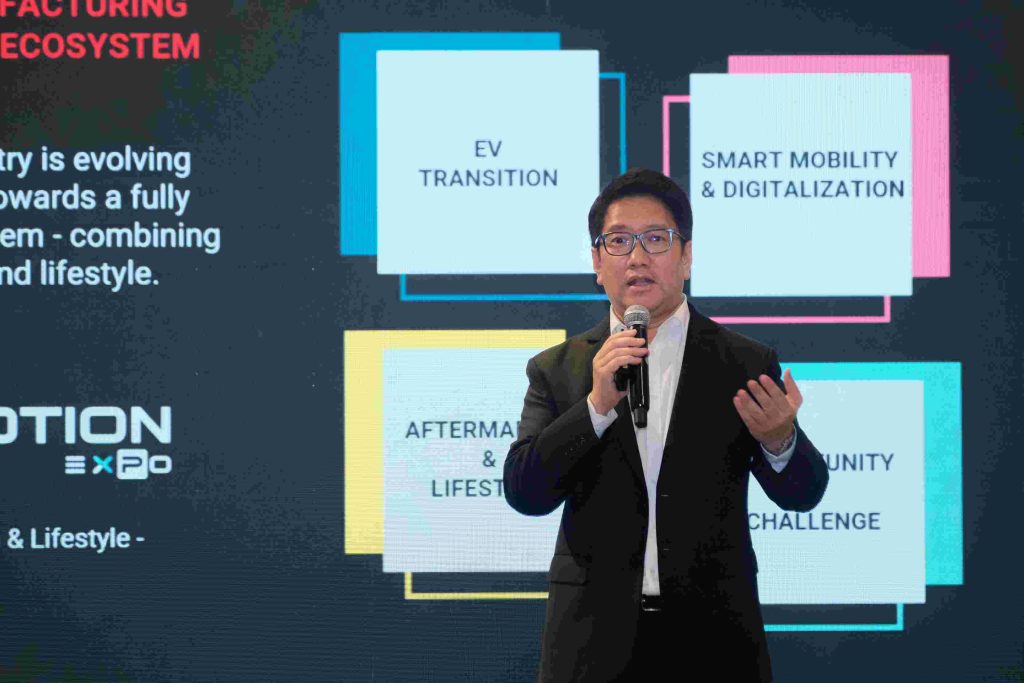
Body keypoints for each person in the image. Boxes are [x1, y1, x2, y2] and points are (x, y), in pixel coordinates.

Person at [504, 168, 829, 682]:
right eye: (619, 241)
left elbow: (804, 493)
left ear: (687, 256)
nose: (637, 257)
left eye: (656, 239)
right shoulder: (558, 369)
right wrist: (595, 406)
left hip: (714, 642)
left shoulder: (742, 363)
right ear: (597, 263)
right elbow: (525, 492)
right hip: (591, 645)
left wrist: (779, 440)